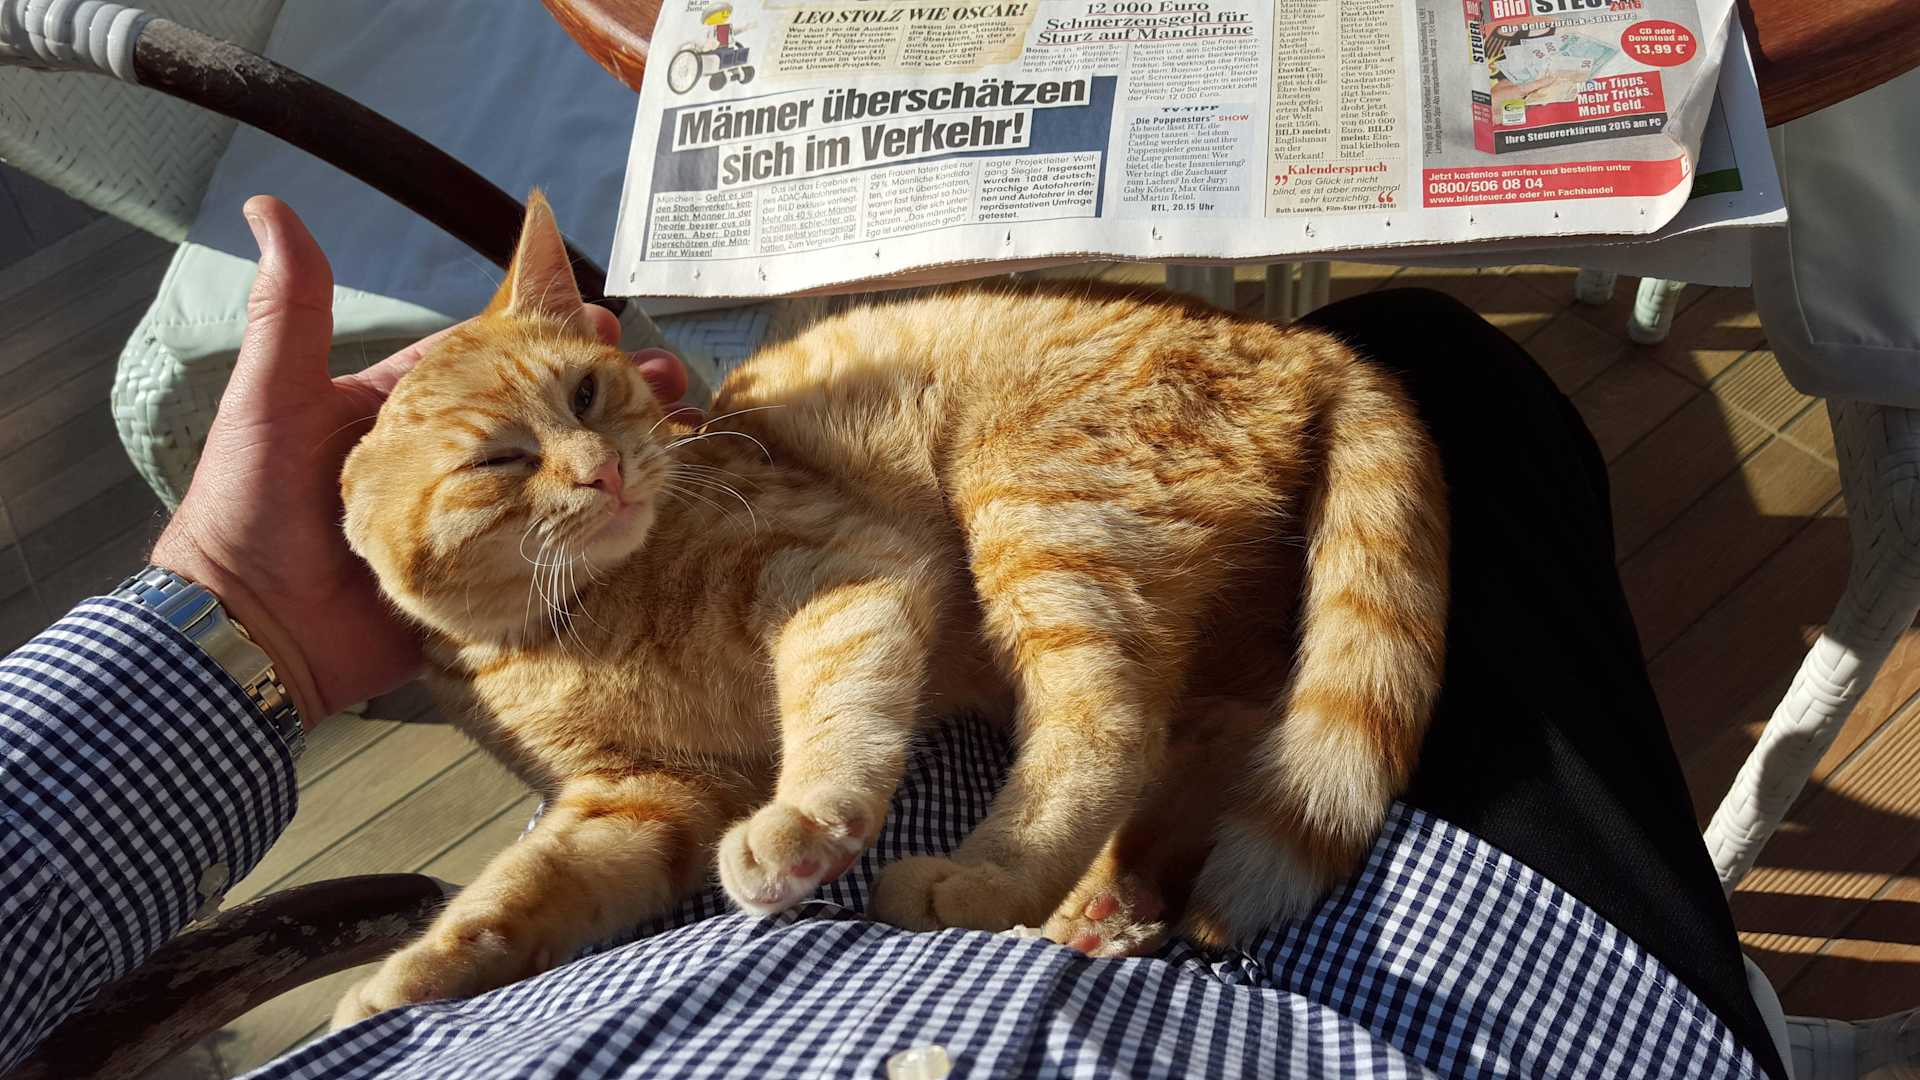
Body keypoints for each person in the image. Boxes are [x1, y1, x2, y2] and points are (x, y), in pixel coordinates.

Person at [0, 199, 1787, 1079]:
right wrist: (473, 949)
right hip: (1457, 1030)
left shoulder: (690, 491)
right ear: (381, 530)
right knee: (1449, 375)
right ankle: (1223, 768)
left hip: (1025, 464)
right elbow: (636, 807)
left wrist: (239, 613)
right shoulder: (515, 653)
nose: (595, 463)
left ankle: (1115, 777)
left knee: (1349, 413)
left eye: (589, 395)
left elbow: (848, 588)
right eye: (507, 463)